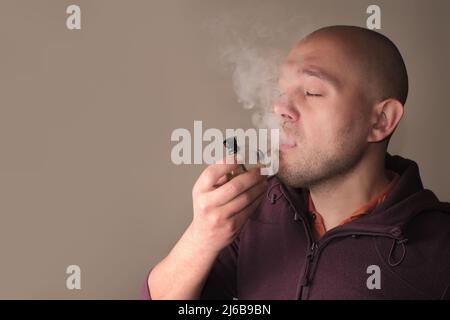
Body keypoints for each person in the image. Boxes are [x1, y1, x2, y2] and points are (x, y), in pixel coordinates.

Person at [142, 25, 450, 300]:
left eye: (312, 92)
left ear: (381, 120)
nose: (279, 108)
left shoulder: (439, 248)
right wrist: (202, 237)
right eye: (280, 92)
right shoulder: (259, 211)